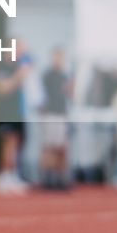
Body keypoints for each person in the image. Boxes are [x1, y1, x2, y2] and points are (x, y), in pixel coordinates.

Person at [0, 41, 32, 193]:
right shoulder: (3, 67)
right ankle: (3, 176)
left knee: (15, 144)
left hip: (18, 111)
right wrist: (18, 75)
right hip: (6, 111)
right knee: (8, 143)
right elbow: (3, 88)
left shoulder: (17, 67)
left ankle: (13, 174)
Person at [36, 48, 73, 191]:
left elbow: (69, 95)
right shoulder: (48, 76)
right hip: (51, 114)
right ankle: (47, 176)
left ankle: (59, 176)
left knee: (61, 146)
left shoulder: (64, 76)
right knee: (49, 146)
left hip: (61, 114)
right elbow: (40, 97)